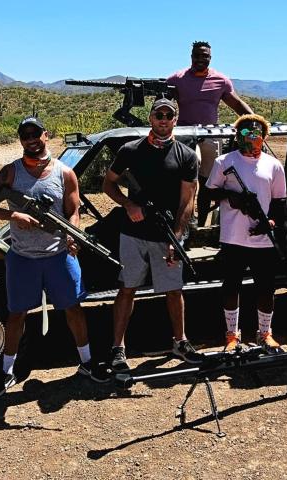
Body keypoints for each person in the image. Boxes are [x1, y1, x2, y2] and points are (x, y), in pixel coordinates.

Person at [0, 116, 109, 397]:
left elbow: (73, 211)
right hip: (22, 257)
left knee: (73, 309)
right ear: (21, 139)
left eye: (36, 133)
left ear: (46, 135)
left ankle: (87, 363)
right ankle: (6, 372)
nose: (31, 139)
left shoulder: (65, 173)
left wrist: (73, 234)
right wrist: (13, 214)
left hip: (59, 255)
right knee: (16, 315)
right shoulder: (10, 173)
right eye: (25, 135)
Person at [102, 98, 200, 372]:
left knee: (173, 290)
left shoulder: (186, 156)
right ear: (151, 117)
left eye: (169, 115)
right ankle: (118, 348)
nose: (164, 119)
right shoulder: (130, 151)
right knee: (127, 289)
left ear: (175, 120)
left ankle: (180, 342)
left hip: (166, 235)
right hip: (133, 234)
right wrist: (128, 204)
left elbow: (187, 201)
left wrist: (177, 238)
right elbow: (108, 183)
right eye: (159, 114)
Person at [205, 114, 286, 354]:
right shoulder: (224, 162)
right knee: (231, 287)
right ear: (237, 135)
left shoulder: (274, 165)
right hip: (232, 237)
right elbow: (209, 193)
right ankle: (232, 335)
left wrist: (269, 223)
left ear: (264, 136)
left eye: (257, 133)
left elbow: (280, 203)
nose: (251, 137)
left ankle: (265, 334)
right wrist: (231, 197)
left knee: (265, 288)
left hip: (263, 239)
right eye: (246, 132)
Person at [167, 41, 253, 226]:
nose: (200, 59)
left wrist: (255, 121)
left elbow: (236, 104)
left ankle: (200, 225)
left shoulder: (220, 80)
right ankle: (183, 222)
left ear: (210, 58)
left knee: (208, 182)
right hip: (185, 134)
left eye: (204, 56)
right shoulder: (177, 79)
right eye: (197, 55)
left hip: (211, 135)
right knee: (188, 177)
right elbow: (163, 103)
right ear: (191, 56)